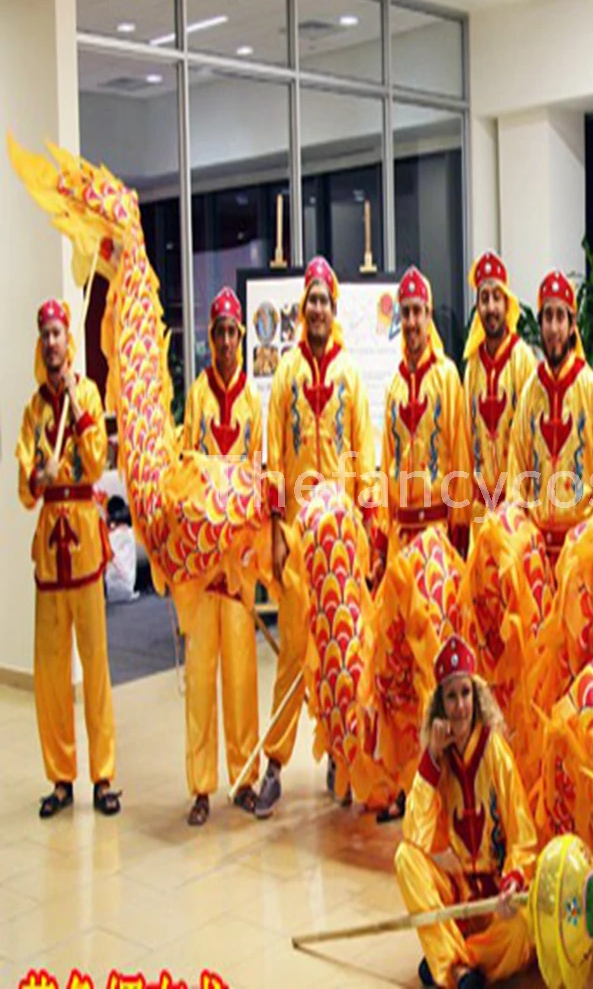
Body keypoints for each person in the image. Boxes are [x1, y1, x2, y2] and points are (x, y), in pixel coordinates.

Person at [257, 256, 379, 819]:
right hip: (297, 537)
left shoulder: (352, 378)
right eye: (311, 301)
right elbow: (273, 458)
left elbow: (364, 459)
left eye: (326, 301)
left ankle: (339, 756)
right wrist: (278, 536)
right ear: (301, 309)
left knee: (342, 654)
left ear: (336, 308)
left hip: (342, 543)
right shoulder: (285, 375)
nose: (318, 309)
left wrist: (364, 532)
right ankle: (275, 763)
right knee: (294, 657)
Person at [15, 298, 119, 818]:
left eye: (58, 333)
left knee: (95, 667)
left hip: (84, 547)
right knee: (51, 673)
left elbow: (97, 461)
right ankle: (61, 777)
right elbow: (25, 487)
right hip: (48, 551)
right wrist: (39, 474)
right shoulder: (34, 409)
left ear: (67, 341)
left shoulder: (89, 395)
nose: (52, 342)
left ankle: (103, 775)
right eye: (45, 334)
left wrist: (78, 416)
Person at [394, 635, 537, 989]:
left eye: (466, 694)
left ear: (477, 696)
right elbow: (415, 833)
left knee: (522, 932)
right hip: (460, 897)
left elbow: (524, 837)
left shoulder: (494, 749)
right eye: (452, 696)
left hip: (497, 900)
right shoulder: (436, 759)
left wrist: (512, 883)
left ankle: (449, 960)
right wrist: (431, 762)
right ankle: (459, 971)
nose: (460, 706)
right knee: (404, 859)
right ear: (440, 707)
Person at [179, 286, 261, 825]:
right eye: (221, 332)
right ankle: (202, 785)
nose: (227, 342)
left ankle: (245, 776)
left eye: (234, 332)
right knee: (201, 672)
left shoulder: (254, 402)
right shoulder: (196, 396)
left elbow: (259, 473)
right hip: (203, 563)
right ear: (210, 339)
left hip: (240, 559)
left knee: (241, 673)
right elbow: (186, 464)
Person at [506, 269, 593, 564]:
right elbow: (517, 472)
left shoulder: (590, 388)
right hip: (537, 552)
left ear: (572, 324)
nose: (553, 327)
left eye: (560, 317)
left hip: (581, 553)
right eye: (547, 317)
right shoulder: (530, 392)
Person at [378, 266, 472, 563]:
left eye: (417, 312)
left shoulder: (447, 376)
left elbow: (460, 457)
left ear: (429, 316)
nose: (411, 322)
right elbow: (385, 463)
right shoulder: (394, 387)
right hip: (401, 537)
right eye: (405, 313)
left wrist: (459, 531)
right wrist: (381, 539)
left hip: (439, 535)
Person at [462, 251, 535, 548]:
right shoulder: (472, 367)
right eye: (484, 298)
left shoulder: (522, 360)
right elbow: (466, 443)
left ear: (507, 303)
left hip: (516, 513)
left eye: (496, 297)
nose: (491, 307)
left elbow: (533, 439)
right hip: (480, 513)